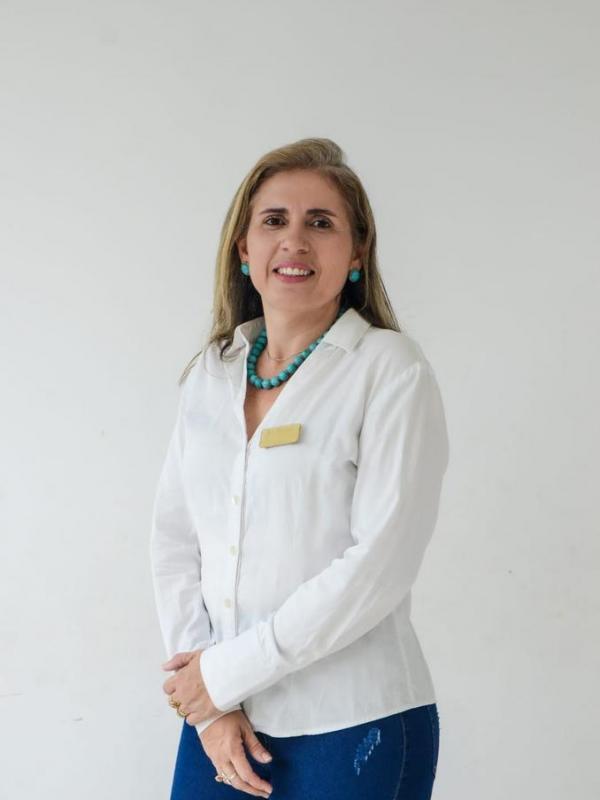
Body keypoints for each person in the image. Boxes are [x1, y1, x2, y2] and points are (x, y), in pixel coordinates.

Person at [150, 137, 449, 800]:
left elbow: (379, 564)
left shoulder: (390, 370)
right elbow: (175, 540)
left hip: (353, 723)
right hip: (219, 720)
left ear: (357, 252)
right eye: (274, 220)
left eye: (320, 222)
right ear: (244, 248)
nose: (295, 240)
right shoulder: (212, 372)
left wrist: (225, 674)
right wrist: (208, 701)